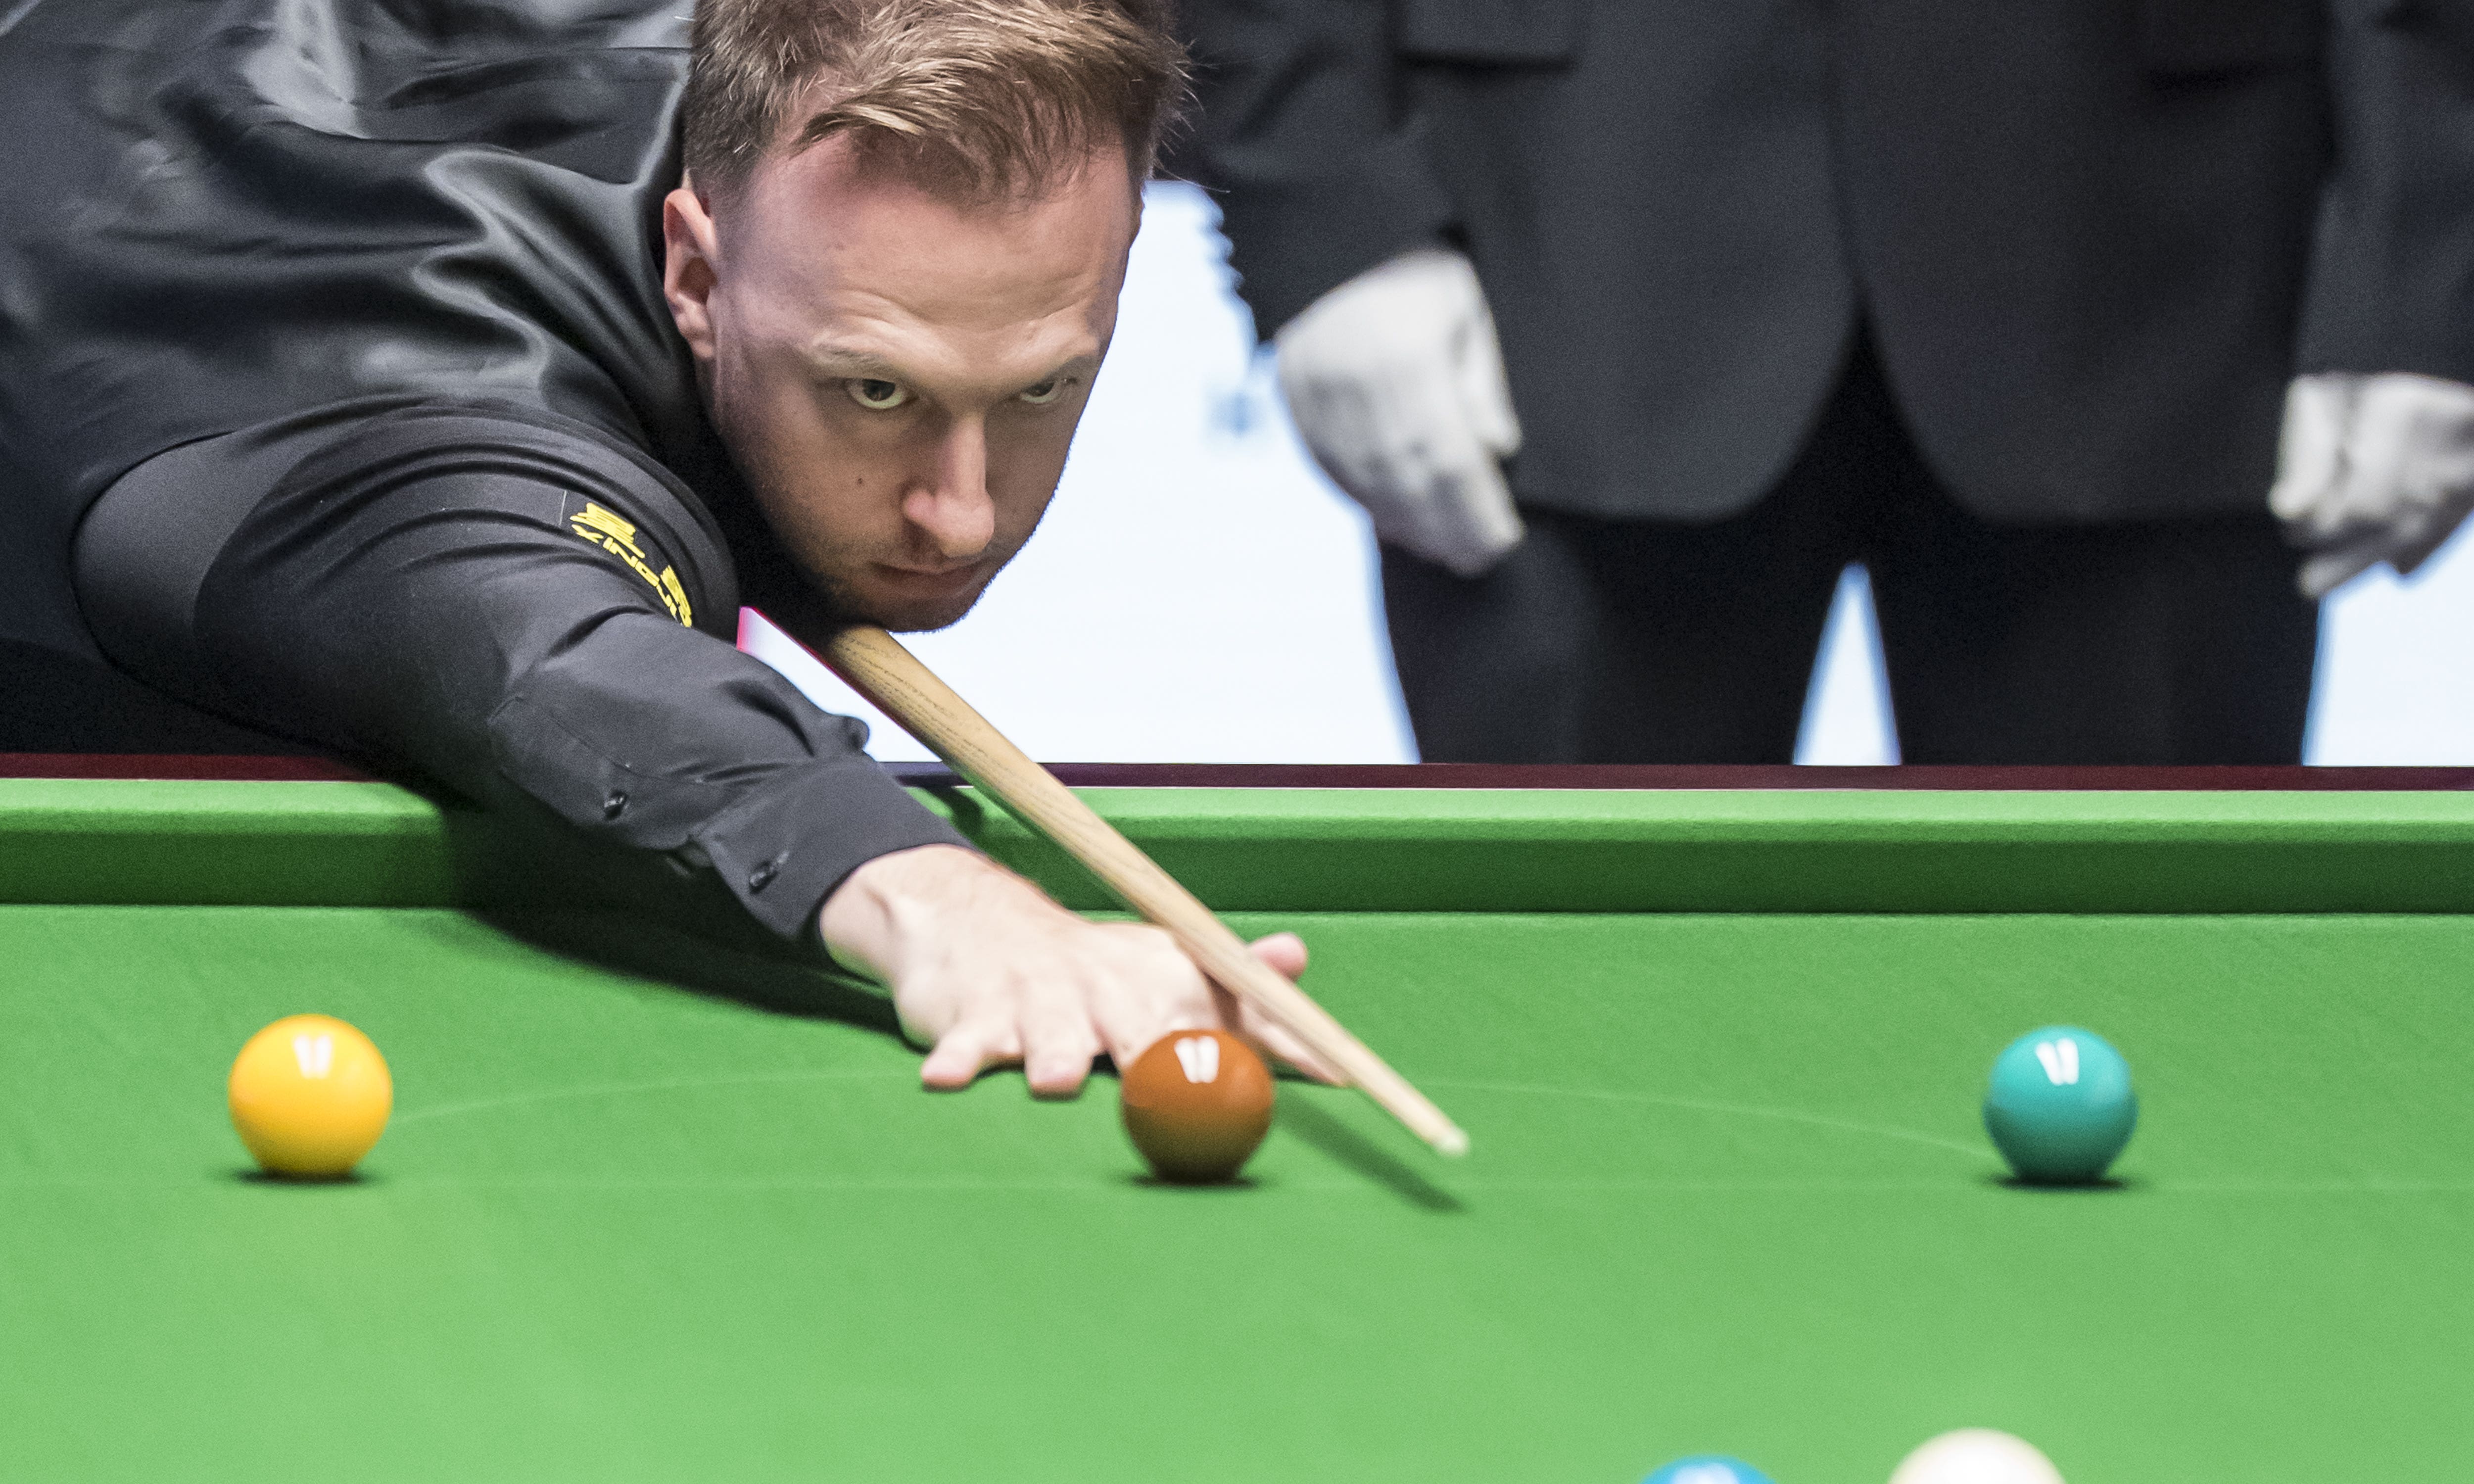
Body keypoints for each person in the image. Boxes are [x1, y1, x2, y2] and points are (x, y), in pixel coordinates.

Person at [0, 0, 1323, 1093]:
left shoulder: (793, 52)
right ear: (694, 276)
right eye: (874, 391)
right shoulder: (448, 404)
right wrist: (927, 889)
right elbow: (537, 649)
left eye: (1038, 388)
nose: (960, 513)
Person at [1177, 2, 2474, 764]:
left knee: (2179, 1046)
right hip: (1559, 227)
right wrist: (1325, 206)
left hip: (2163, 248)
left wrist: (2434, 264)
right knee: (1561, 1049)